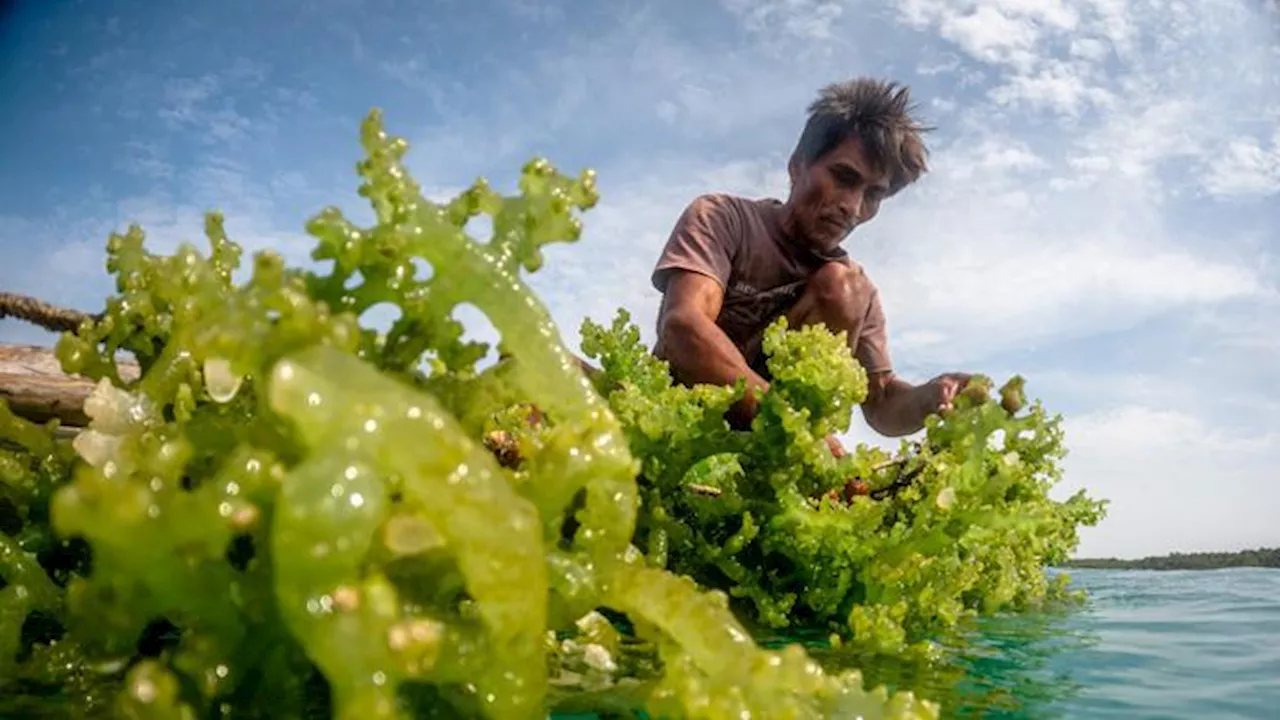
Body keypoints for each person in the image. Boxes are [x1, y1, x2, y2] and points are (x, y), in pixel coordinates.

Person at [649, 77, 973, 456]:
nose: (853, 207)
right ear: (797, 166)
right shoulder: (724, 218)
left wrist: (929, 398)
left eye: (873, 195)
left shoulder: (860, 293)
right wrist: (791, 425)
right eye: (844, 178)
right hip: (677, 421)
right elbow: (684, 327)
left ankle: (765, 464)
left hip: (768, 454)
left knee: (842, 288)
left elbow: (881, 403)